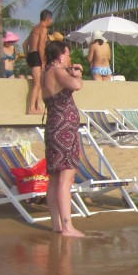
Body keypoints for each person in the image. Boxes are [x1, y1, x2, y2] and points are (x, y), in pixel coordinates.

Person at [42, 39, 85, 237]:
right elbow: (77, 85)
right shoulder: (59, 72)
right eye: (68, 54)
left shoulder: (47, 74)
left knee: (55, 178)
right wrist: (78, 73)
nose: (70, 58)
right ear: (60, 55)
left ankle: (57, 225)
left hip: (53, 128)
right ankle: (67, 226)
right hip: (64, 130)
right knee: (66, 177)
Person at [24, 9, 52, 115]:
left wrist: (27, 57)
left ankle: (39, 107)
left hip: (32, 54)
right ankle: (31, 109)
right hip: (37, 55)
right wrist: (43, 60)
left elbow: (24, 44)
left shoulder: (34, 29)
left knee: (40, 84)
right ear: (48, 19)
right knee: (37, 84)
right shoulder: (43, 29)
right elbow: (41, 46)